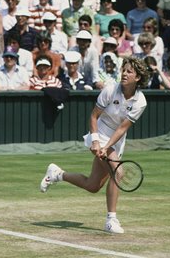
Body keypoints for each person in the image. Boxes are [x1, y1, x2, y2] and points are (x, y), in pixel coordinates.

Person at [40, 56, 148, 233]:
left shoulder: (140, 101)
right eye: (124, 70)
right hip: (99, 132)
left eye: (130, 71)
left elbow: (122, 129)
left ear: (138, 78)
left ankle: (57, 174)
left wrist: (106, 147)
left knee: (93, 186)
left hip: (116, 140)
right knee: (118, 172)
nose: (125, 74)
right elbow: (93, 116)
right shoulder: (110, 90)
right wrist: (97, 141)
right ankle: (111, 220)